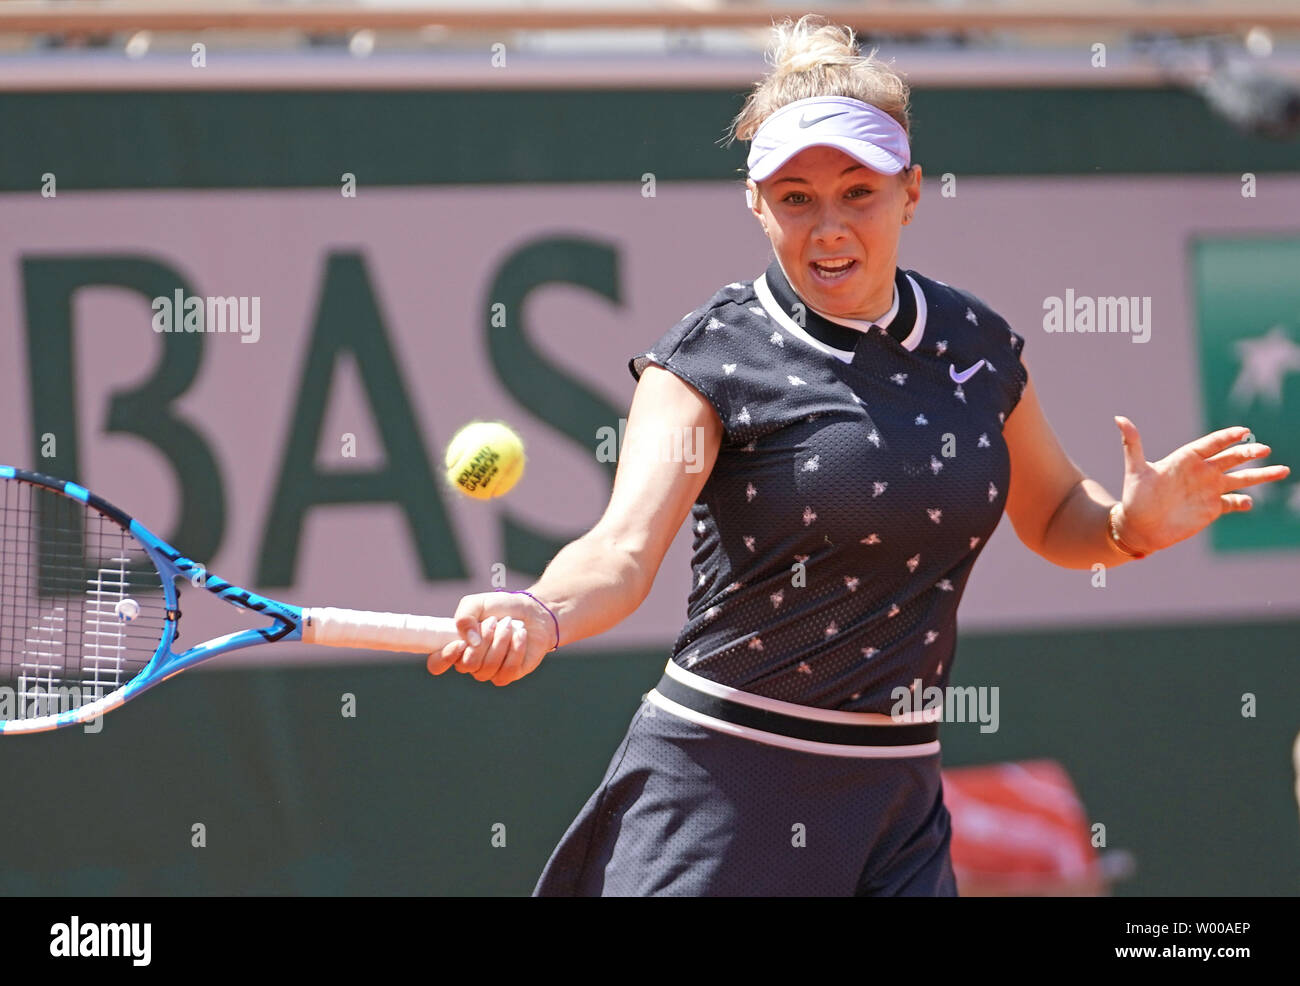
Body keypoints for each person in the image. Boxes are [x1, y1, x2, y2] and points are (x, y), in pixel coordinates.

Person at [426, 15, 1291, 896]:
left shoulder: (974, 343)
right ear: (757, 205)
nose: (828, 227)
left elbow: (1060, 515)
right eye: (795, 197)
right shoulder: (708, 359)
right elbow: (619, 550)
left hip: (896, 800)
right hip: (723, 784)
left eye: (858, 192)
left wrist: (1128, 526)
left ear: (911, 191)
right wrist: (540, 611)